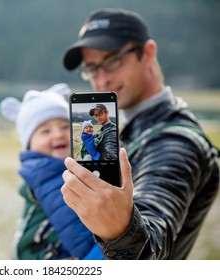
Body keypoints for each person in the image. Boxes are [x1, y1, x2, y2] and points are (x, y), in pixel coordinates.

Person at [60, 8, 219, 259]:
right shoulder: (134, 129)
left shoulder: (176, 142)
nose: (102, 78)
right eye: (91, 68)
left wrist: (119, 230)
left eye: (112, 60)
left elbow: (154, 236)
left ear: (148, 53)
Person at [0, 83, 103, 260]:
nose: (58, 135)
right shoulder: (47, 173)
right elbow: (78, 233)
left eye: (65, 127)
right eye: (45, 131)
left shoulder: (65, 166)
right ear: (29, 144)